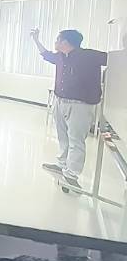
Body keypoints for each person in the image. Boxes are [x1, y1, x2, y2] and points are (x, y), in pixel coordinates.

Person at [32, 27, 108, 190]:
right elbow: (45, 54)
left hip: (80, 105)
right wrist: (36, 39)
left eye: (57, 39)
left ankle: (71, 175)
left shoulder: (89, 56)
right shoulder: (60, 56)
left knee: (76, 140)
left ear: (65, 42)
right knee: (63, 137)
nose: (55, 42)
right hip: (60, 101)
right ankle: (62, 164)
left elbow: (115, 60)